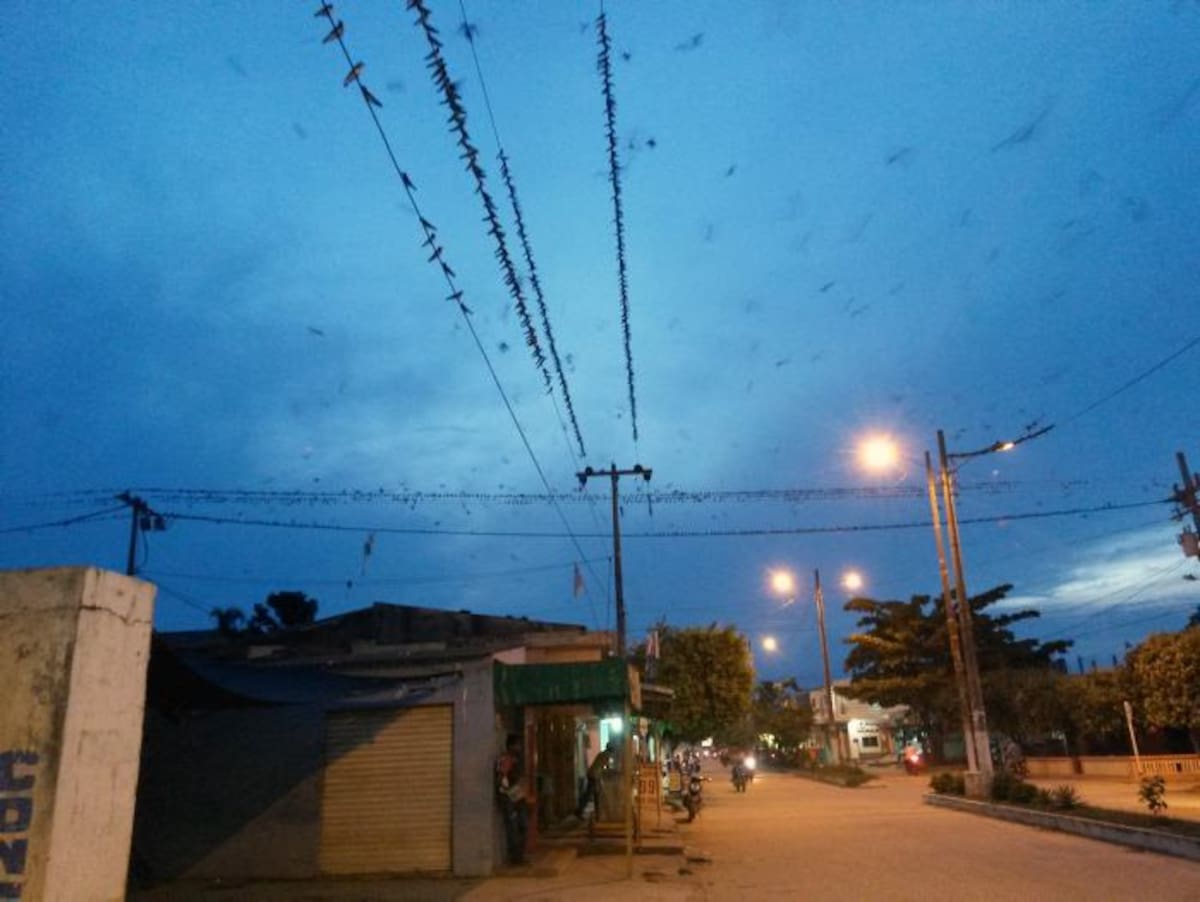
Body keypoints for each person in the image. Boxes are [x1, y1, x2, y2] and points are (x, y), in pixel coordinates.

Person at [495, 734, 527, 865]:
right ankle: (516, 858)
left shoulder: (515, 760)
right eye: (517, 745)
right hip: (510, 799)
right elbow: (501, 779)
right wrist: (507, 793)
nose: (520, 747)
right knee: (514, 827)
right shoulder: (506, 759)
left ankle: (519, 856)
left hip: (518, 797)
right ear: (511, 746)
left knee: (522, 826)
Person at [575, 739, 617, 820]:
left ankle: (594, 812)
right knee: (593, 794)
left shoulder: (603, 753)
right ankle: (582, 811)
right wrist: (613, 772)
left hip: (592, 774)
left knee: (593, 794)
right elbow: (607, 768)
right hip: (594, 775)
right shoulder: (606, 755)